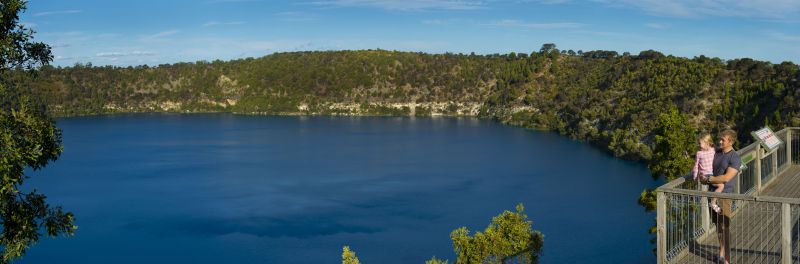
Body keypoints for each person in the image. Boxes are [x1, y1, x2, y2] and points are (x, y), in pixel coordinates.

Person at [700, 129, 741, 264]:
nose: (720, 141)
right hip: (712, 193)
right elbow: (705, 166)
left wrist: (708, 179)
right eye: (720, 139)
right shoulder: (716, 152)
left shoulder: (734, 157)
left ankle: (727, 259)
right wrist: (702, 175)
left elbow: (726, 178)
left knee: (725, 226)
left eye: (723, 140)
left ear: (731, 141)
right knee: (718, 226)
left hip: (724, 196)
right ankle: (721, 253)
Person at [693, 134, 721, 212]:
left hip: (713, 173)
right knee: (720, 186)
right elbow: (696, 166)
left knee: (714, 188)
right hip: (705, 175)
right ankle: (713, 203)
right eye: (699, 143)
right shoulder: (699, 153)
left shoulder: (713, 150)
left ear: (707, 143)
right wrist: (695, 177)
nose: (699, 145)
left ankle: (713, 204)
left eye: (701, 143)